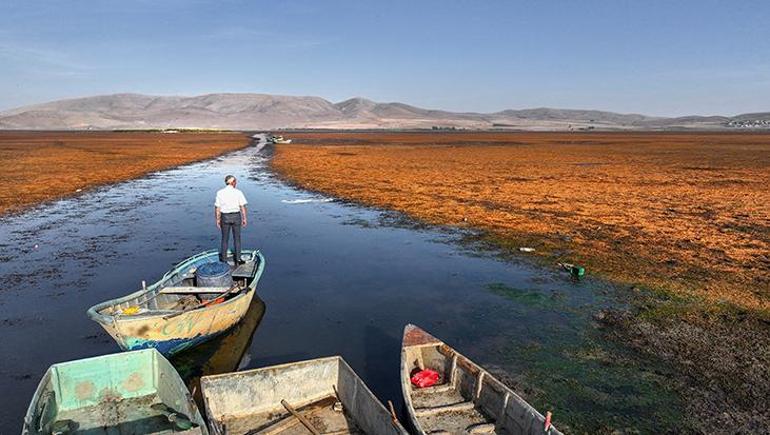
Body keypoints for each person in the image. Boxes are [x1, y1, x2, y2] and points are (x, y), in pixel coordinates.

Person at [215, 175, 248, 264]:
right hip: (236, 216)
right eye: (235, 181)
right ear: (232, 182)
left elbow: (217, 208)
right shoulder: (238, 192)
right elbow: (242, 207)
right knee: (237, 238)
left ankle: (224, 260)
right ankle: (238, 259)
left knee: (224, 239)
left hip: (224, 217)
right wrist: (244, 218)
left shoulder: (220, 192)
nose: (236, 183)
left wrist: (217, 219)